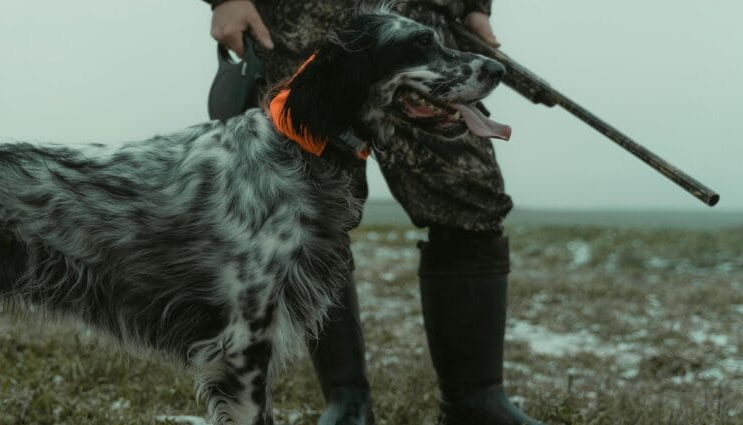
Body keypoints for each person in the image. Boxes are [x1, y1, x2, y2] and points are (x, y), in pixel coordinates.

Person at [201, 1, 547, 424]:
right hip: (302, 23)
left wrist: (474, 4)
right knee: (310, 212)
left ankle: (477, 403)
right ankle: (346, 402)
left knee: (470, 197)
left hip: (417, 14)